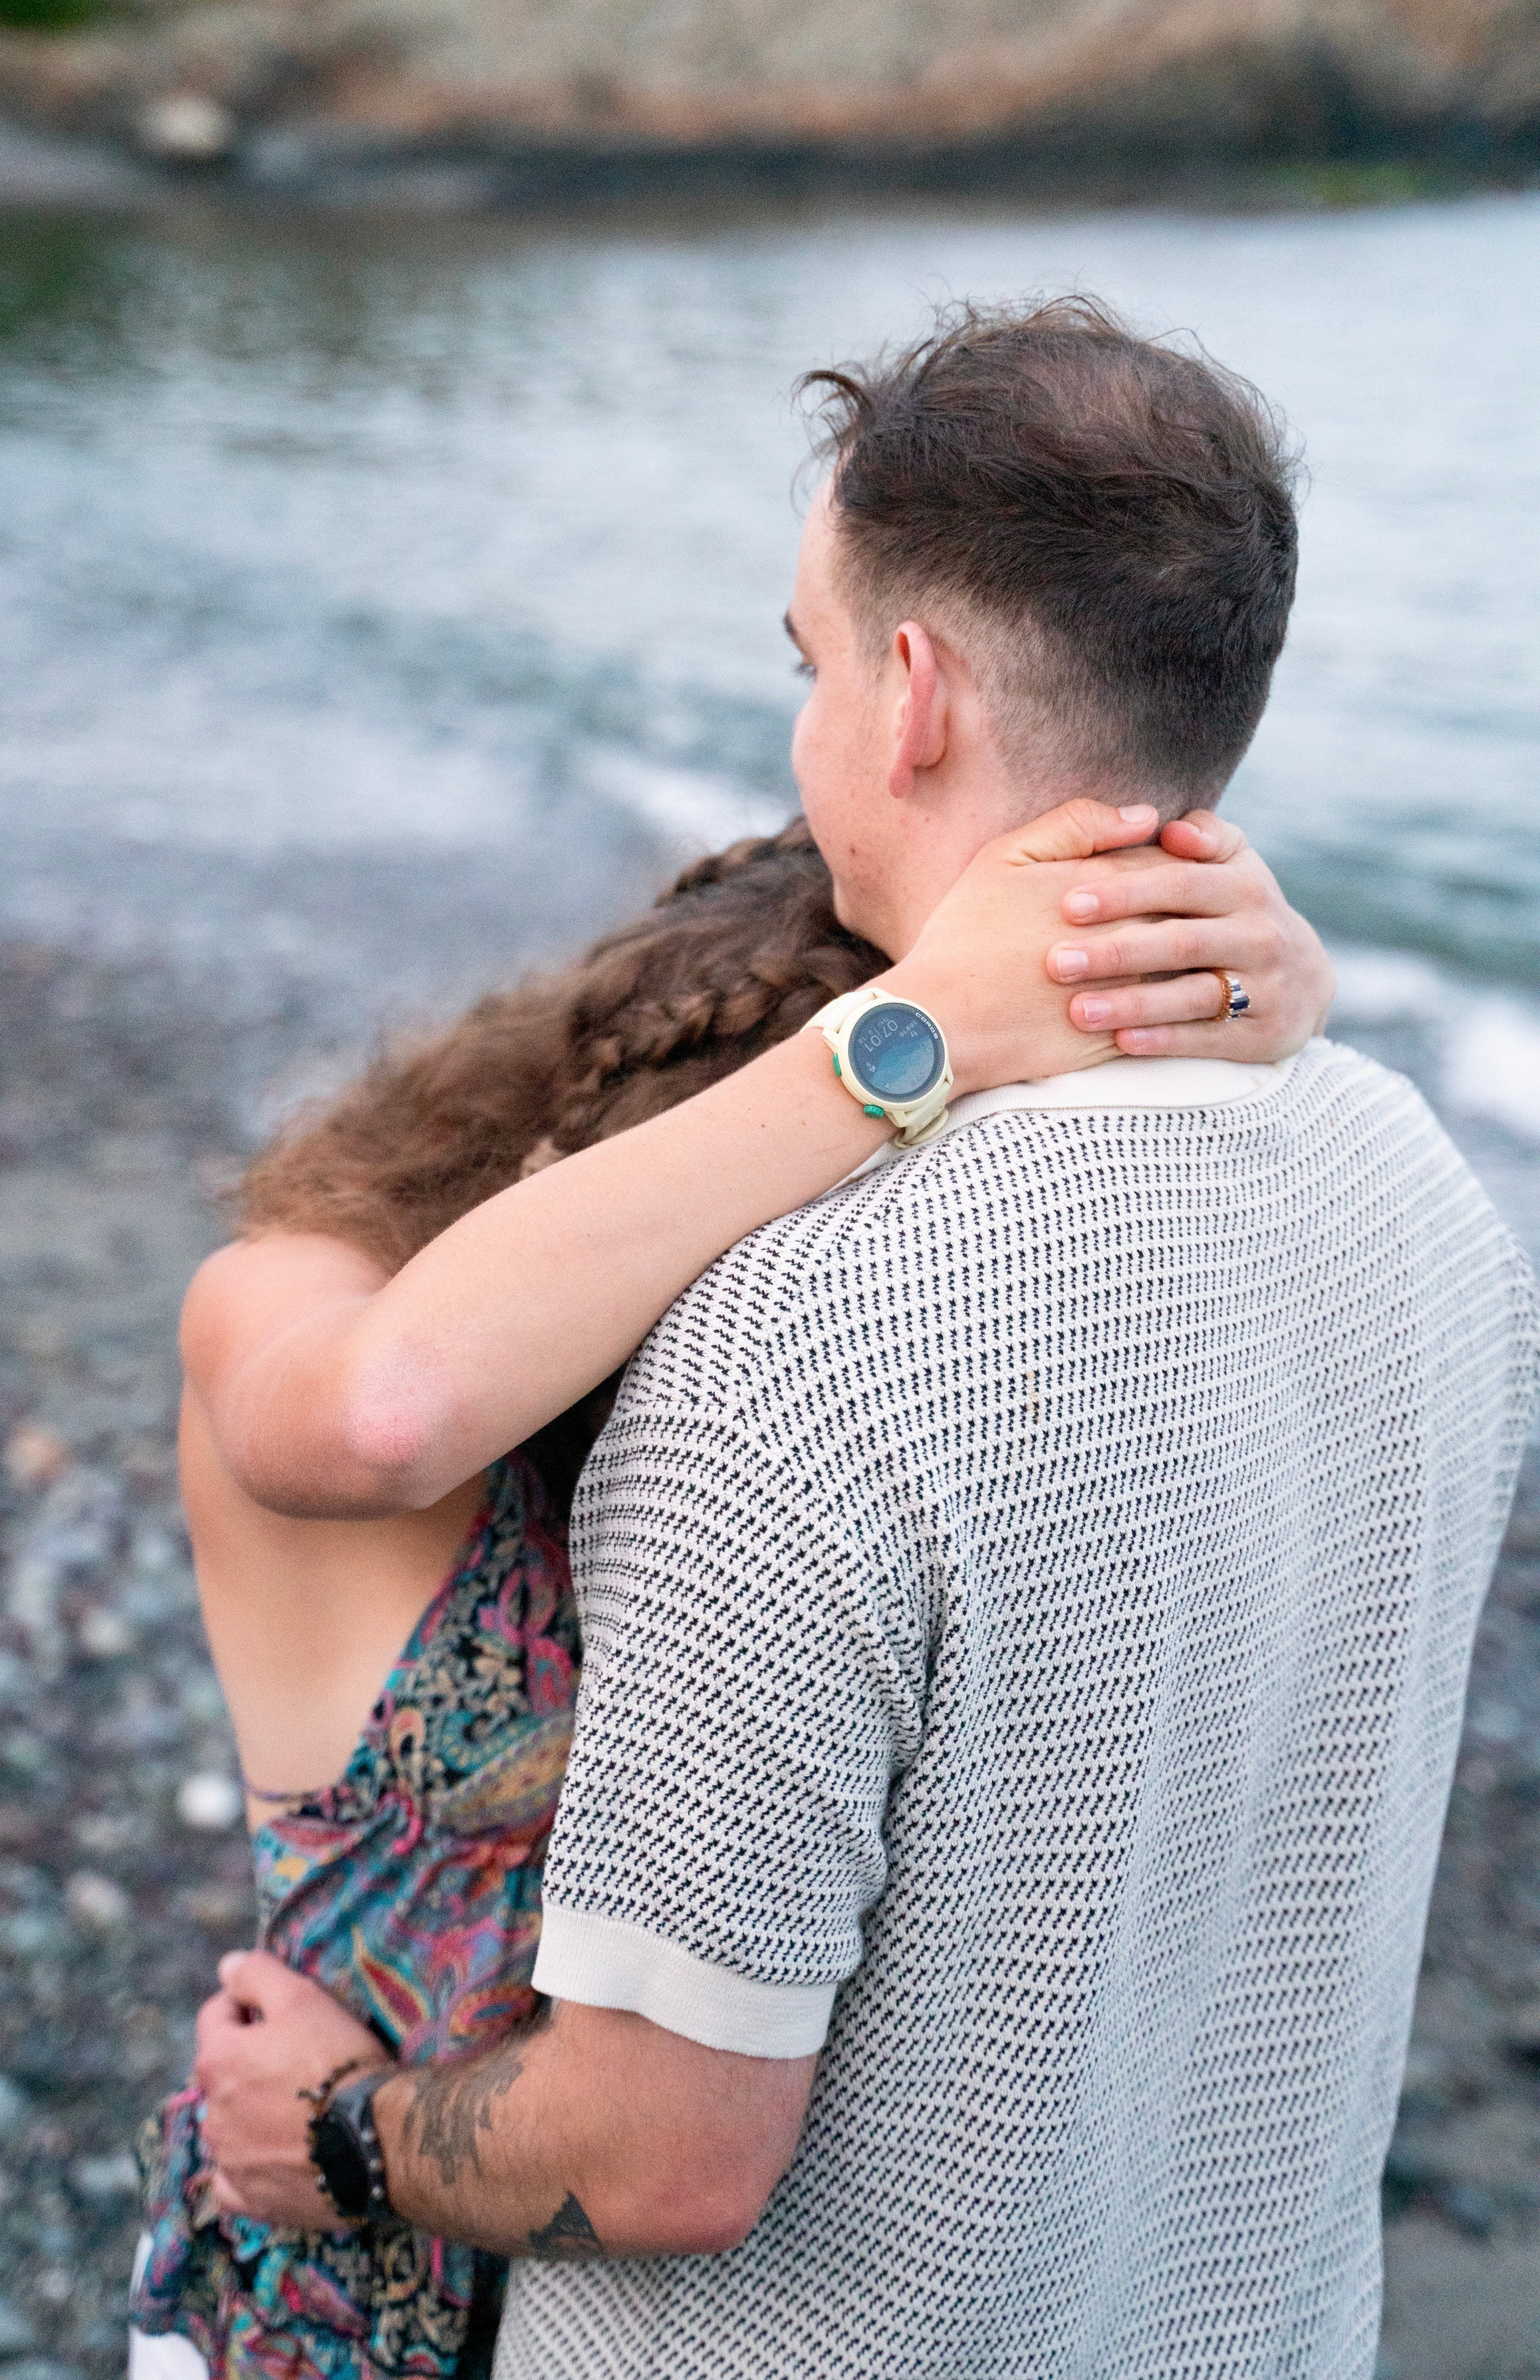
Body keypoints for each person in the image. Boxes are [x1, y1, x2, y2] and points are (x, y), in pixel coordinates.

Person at [201, 296, 1539, 2377]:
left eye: (809, 661)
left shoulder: (805, 1339)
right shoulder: (1435, 1197)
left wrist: (340, 2134)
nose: (806, 727)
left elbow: (662, 2156)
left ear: (908, 695)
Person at [134, 804, 1329, 2378]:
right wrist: (910, 1044)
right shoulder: (294, 1292)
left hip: (643, 2311)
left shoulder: (815, 1463)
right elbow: (379, 1416)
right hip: (326, 2258)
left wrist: (1281, 993)